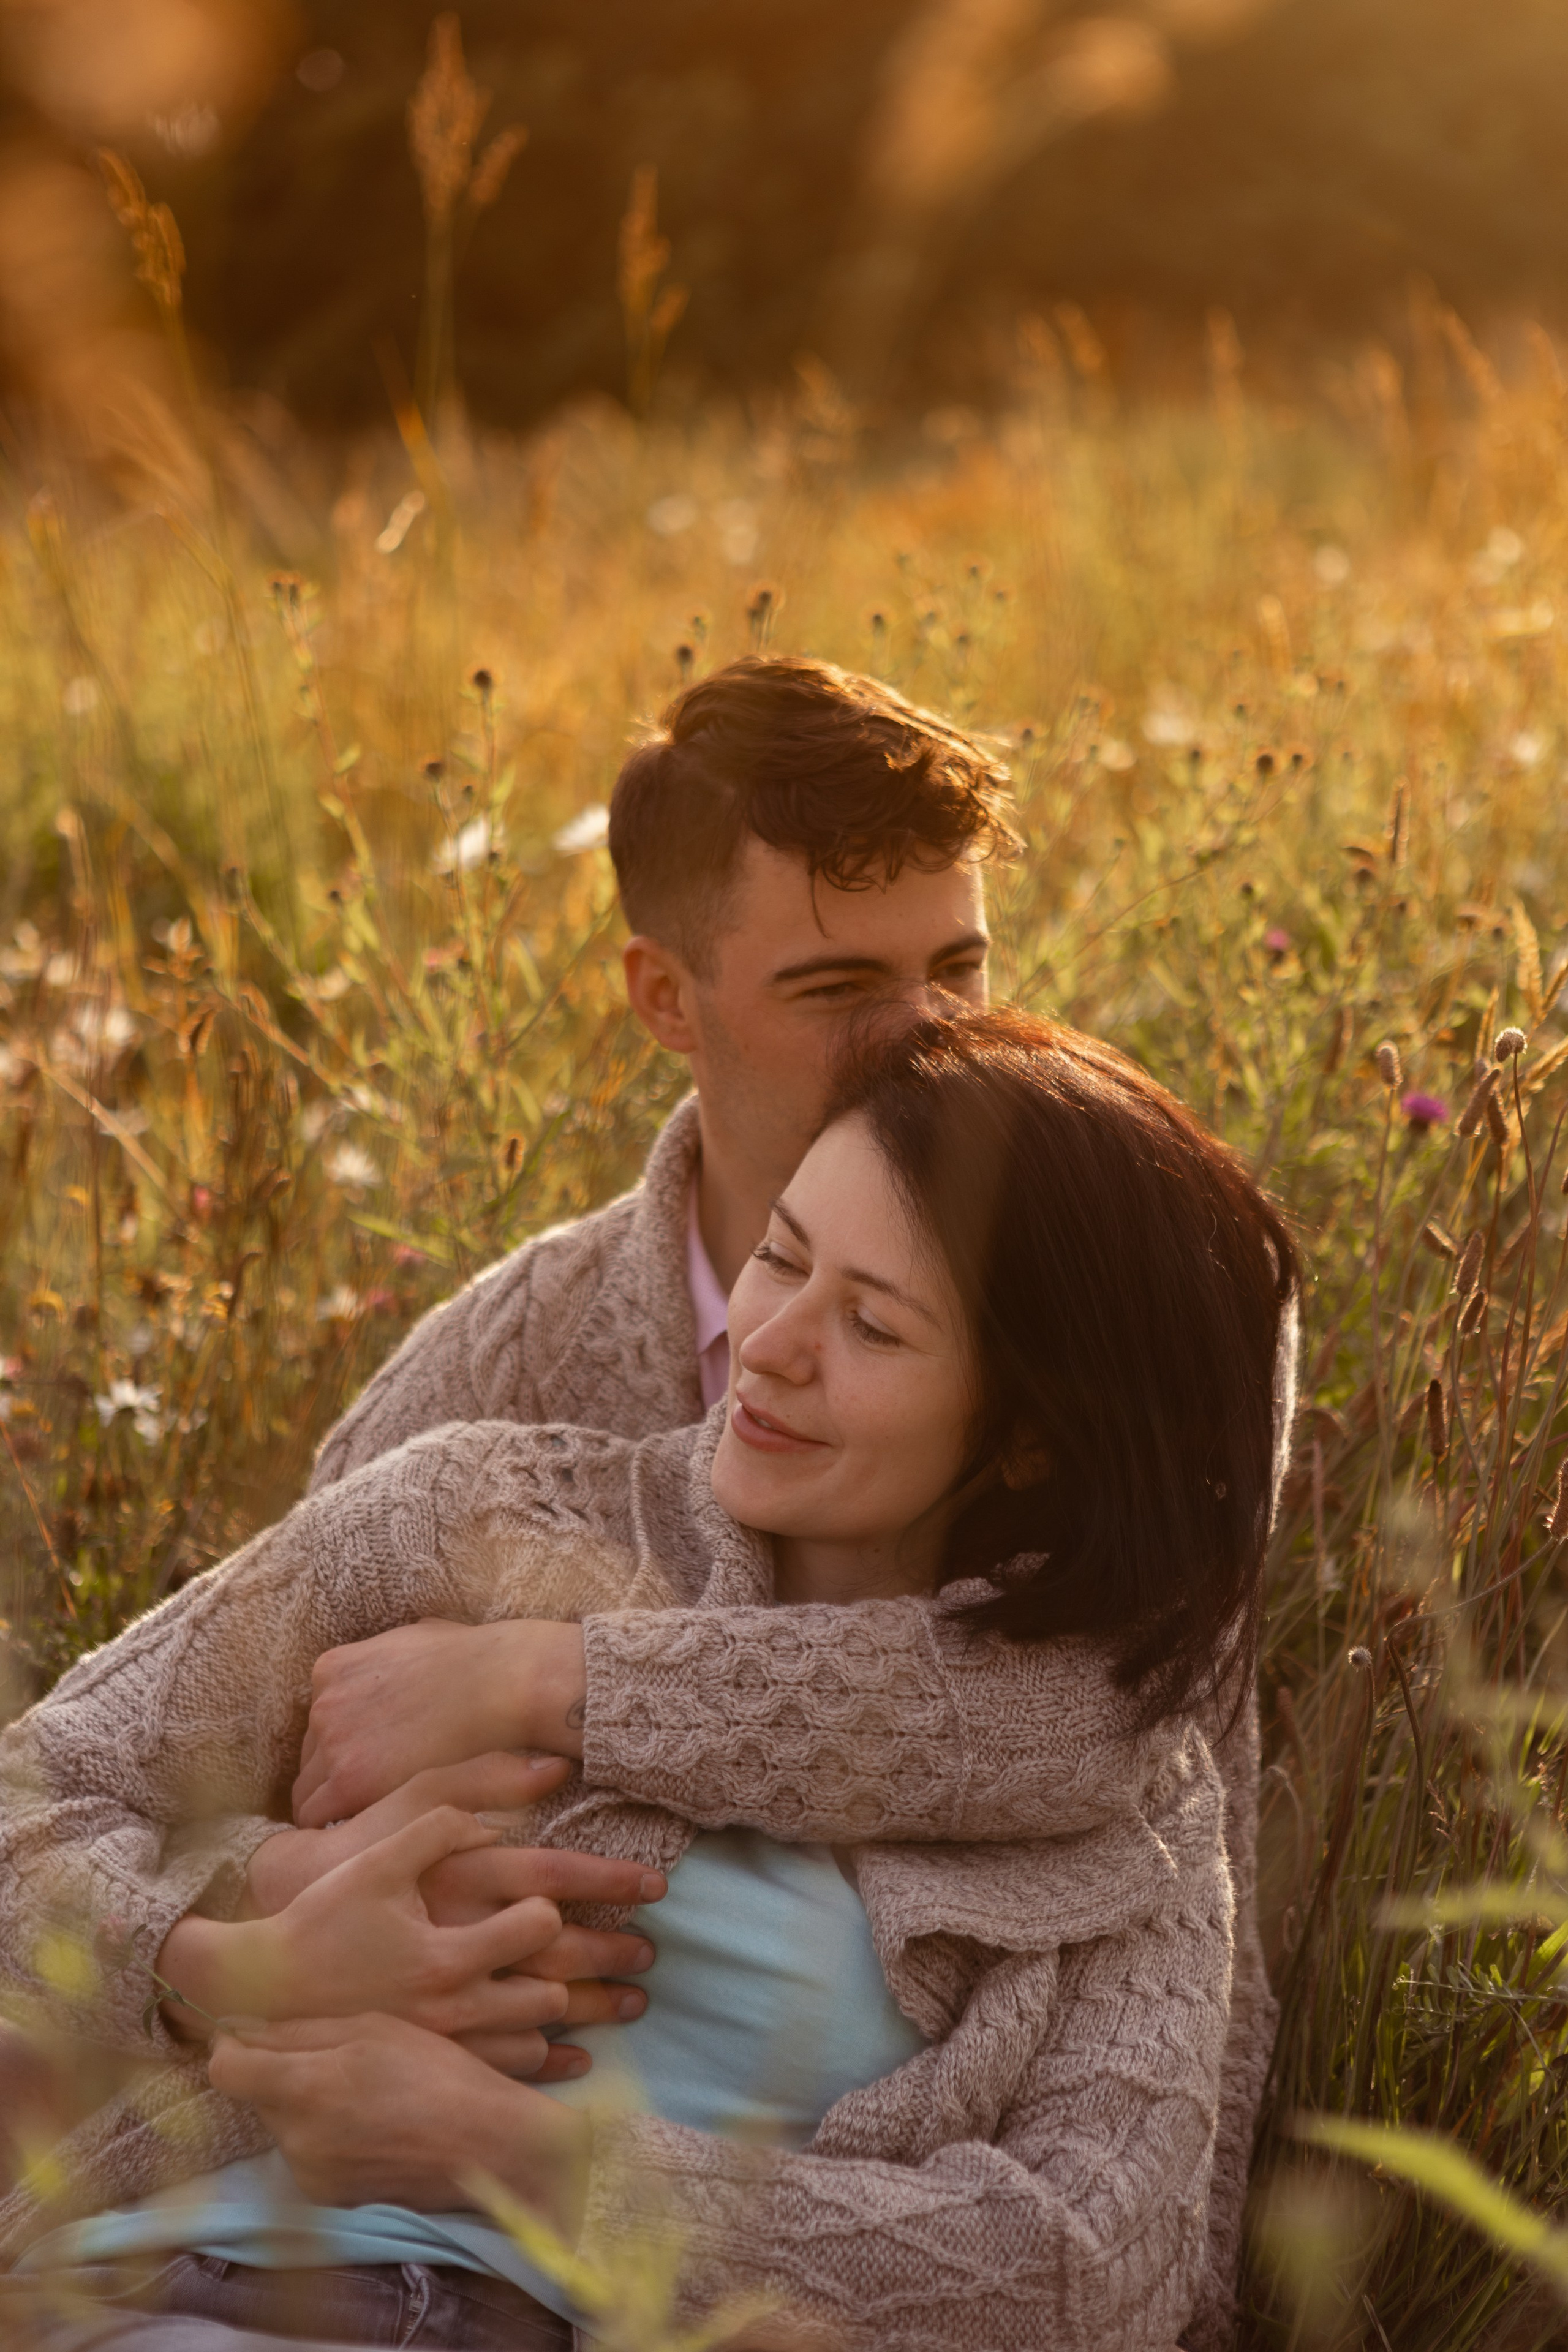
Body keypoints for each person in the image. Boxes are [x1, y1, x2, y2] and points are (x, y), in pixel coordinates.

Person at [0, 1010, 1298, 2352]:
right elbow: (28, 1809)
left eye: (871, 1325)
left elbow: (1090, 2269)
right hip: (165, 2285)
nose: (772, 1340)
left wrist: (514, 2156)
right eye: (779, 1256)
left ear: (1030, 1438)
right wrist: (230, 1960)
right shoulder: (468, 1519)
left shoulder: (1124, 1812)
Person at [290, 655, 1284, 2350]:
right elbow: (224, 1766)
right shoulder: (487, 1378)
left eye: (957, 966)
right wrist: (266, 1926)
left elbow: (1168, 1800)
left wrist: (551, 1678)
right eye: (839, 985)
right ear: (664, 999)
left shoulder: (1126, 1317)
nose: (929, 1037)